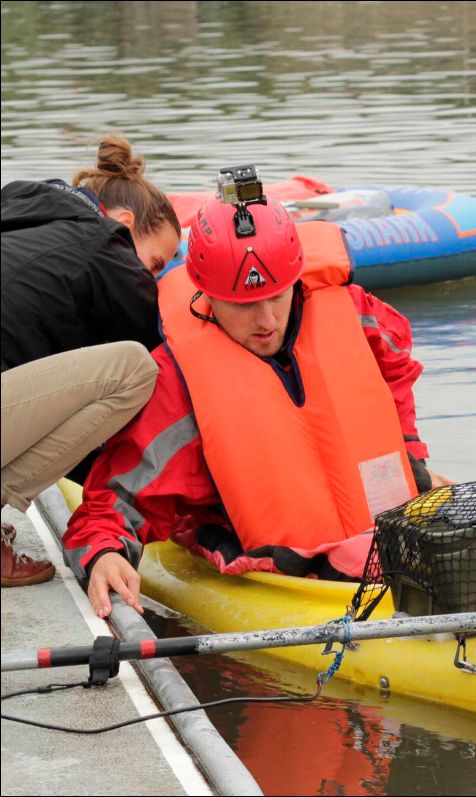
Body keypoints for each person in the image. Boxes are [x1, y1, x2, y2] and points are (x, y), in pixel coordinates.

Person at [63, 182, 448, 617]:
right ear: (207, 295)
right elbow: (113, 501)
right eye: (242, 305)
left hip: (385, 541)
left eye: (276, 296)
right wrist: (104, 553)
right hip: (281, 573)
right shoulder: (178, 379)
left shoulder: (356, 315)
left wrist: (409, 455)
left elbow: (395, 373)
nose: (266, 321)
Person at [1, 135, 181, 587]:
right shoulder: (108, 245)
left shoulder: (20, 206)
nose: (151, 279)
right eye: (155, 264)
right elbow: (159, 379)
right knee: (136, 370)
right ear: (123, 223)